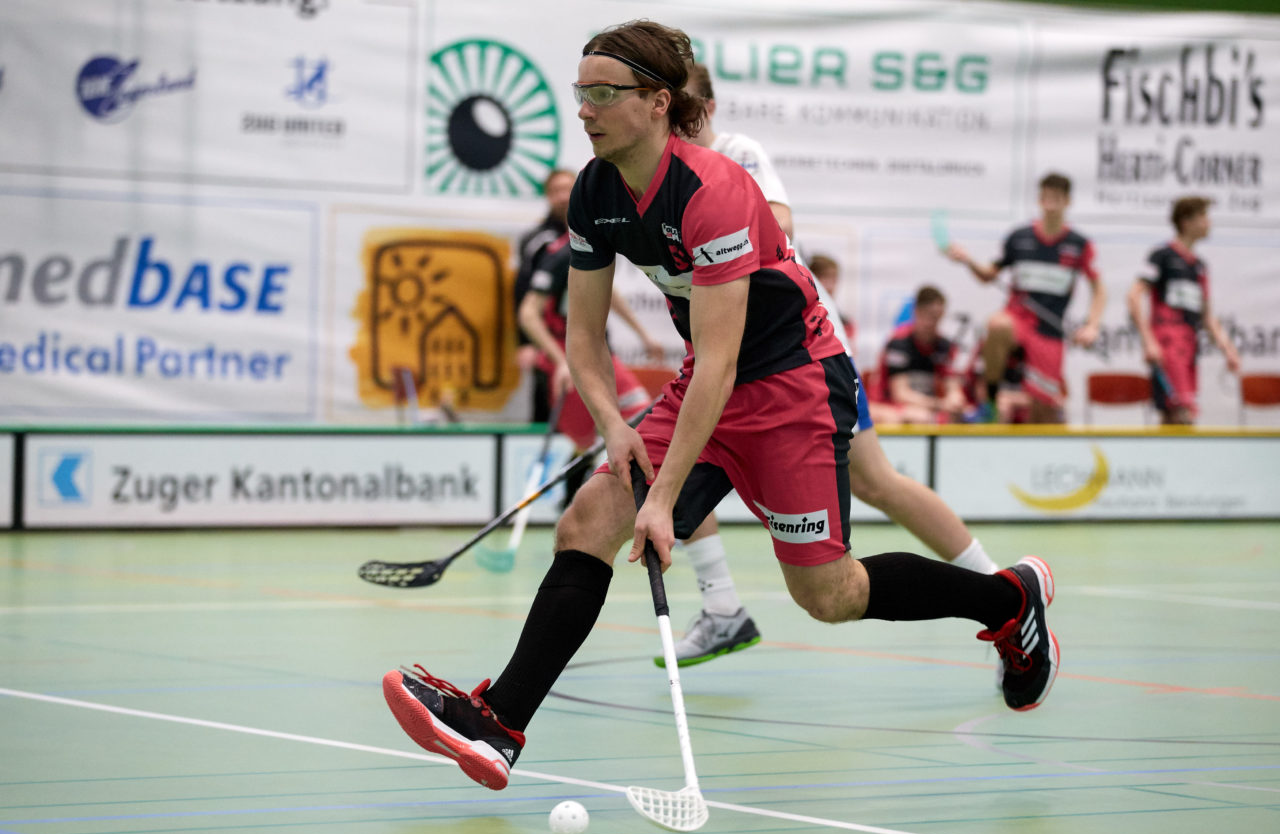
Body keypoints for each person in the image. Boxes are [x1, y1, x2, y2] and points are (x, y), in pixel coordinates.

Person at [380, 21, 1059, 792]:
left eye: (605, 93)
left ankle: (1008, 598)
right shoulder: (598, 192)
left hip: (792, 383)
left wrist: (664, 498)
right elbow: (586, 340)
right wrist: (613, 425)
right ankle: (500, 722)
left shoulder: (714, 190)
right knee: (590, 518)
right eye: (581, 93)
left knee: (828, 594)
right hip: (710, 378)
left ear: (657, 102)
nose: (585, 110)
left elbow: (727, 361)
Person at [660, 63, 1006, 669]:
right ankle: (721, 609)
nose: (678, 125)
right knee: (680, 460)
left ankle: (1001, 592)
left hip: (798, 349)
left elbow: (779, 223)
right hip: (737, 353)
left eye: (687, 110)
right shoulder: (657, 178)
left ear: (707, 108)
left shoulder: (736, 152)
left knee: (877, 482)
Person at [518, 223, 664, 504]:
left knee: (642, 418)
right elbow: (528, 314)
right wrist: (560, 360)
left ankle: (648, 500)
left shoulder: (600, 246)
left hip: (599, 351)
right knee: (583, 440)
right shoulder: (561, 255)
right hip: (568, 352)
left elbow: (609, 293)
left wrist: (643, 335)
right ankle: (571, 502)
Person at [946, 173, 1106, 423]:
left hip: (1049, 331)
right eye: (1046, 198)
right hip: (1017, 318)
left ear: (1068, 202)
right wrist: (968, 260)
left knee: (1045, 410)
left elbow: (1099, 288)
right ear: (1040, 200)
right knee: (997, 324)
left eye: (1057, 198)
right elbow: (988, 275)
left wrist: (1092, 325)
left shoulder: (1079, 245)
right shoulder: (1019, 238)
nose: (1050, 204)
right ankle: (990, 401)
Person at [1127, 196, 1240, 424]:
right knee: (1180, 413)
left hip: (1189, 348)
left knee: (1181, 414)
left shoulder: (1199, 267)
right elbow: (1134, 296)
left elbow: (1207, 316)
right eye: (1203, 217)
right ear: (1186, 222)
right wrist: (1149, 341)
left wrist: (1227, 349)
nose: (1209, 223)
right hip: (1167, 346)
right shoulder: (1162, 256)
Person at [513, 169, 577, 423]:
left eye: (568, 189)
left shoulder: (588, 234)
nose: (563, 196)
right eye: (556, 191)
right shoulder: (541, 241)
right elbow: (523, 295)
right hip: (550, 340)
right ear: (548, 197)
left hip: (583, 339)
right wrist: (525, 342)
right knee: (548, 413)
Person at [869, 285, 969, 425]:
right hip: (887, 405)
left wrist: (955, 399)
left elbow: (952, 384)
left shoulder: (944, 345)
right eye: (928, 316)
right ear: (916, 312)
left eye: (937, 317)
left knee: (956, 416)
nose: (932, 323)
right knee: (919, 417)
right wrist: (940, 404)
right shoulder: (899, 343)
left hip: (924, 407)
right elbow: (901, 394)